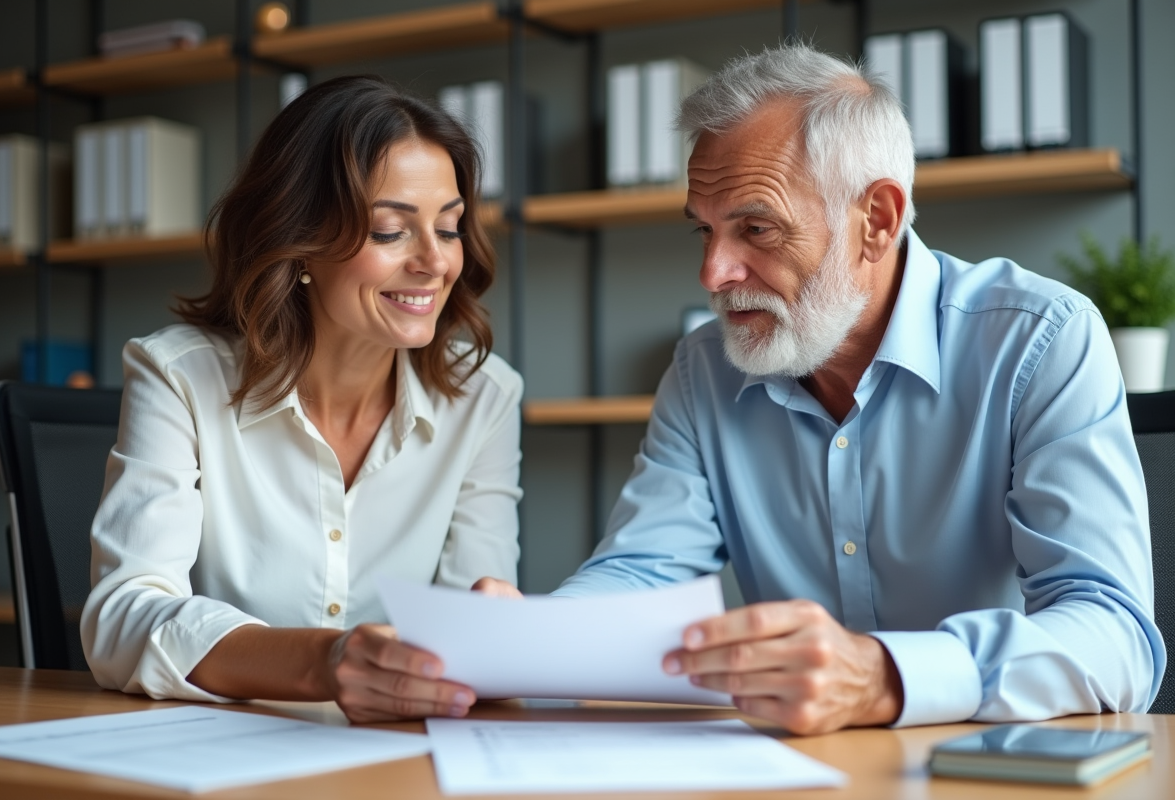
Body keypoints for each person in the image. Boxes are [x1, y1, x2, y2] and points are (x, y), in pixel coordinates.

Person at [481, 44, 1165, 733]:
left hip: (991, 763)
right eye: (705, 230)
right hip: (790, 765)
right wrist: (525, 639)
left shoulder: (1039, 340)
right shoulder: (702, 370)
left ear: (877, 221)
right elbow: (641, 572)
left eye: (756, 228)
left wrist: (883, 677)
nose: (713, 272)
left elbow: (1115, 638)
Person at [81, 76, 523, 723]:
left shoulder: (484, 396)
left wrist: (492, 640)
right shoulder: (179, 374)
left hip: (393, 758)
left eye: (450, 227)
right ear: (302, 241)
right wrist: (326, 662)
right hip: (217, 753)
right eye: (390, 231)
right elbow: (123, 620)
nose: (436, 262)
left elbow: (471, 629)